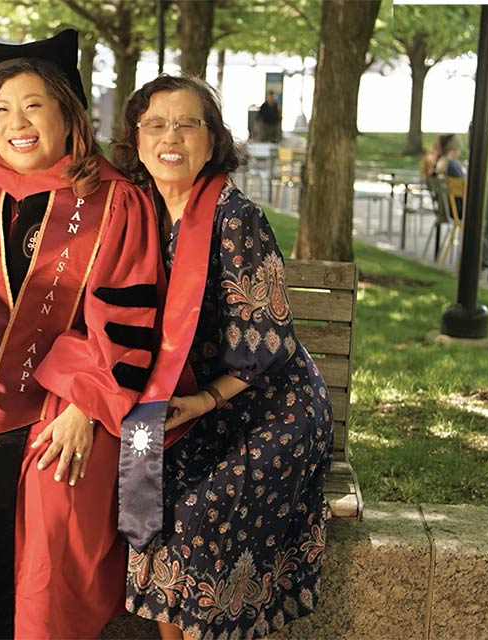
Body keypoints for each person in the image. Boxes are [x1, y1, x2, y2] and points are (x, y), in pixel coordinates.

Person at [0, 30, 162, 639]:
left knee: (53, 512)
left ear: (66, 113)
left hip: (66, 396)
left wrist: (84, 402)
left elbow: (131, 317)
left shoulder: (115, 202)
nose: (15, 123)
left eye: (32, 106)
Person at [111, 74, 333, 639]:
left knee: (195, 515)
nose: (172, 136)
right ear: (136, 139)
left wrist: (205, 399)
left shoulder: (235, 218)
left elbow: (268, 337)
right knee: (153, 506)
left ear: (212, 140)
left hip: (265, 405)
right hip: (187, 405)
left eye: (189, 123)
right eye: (156, 123)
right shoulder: (138, 212)